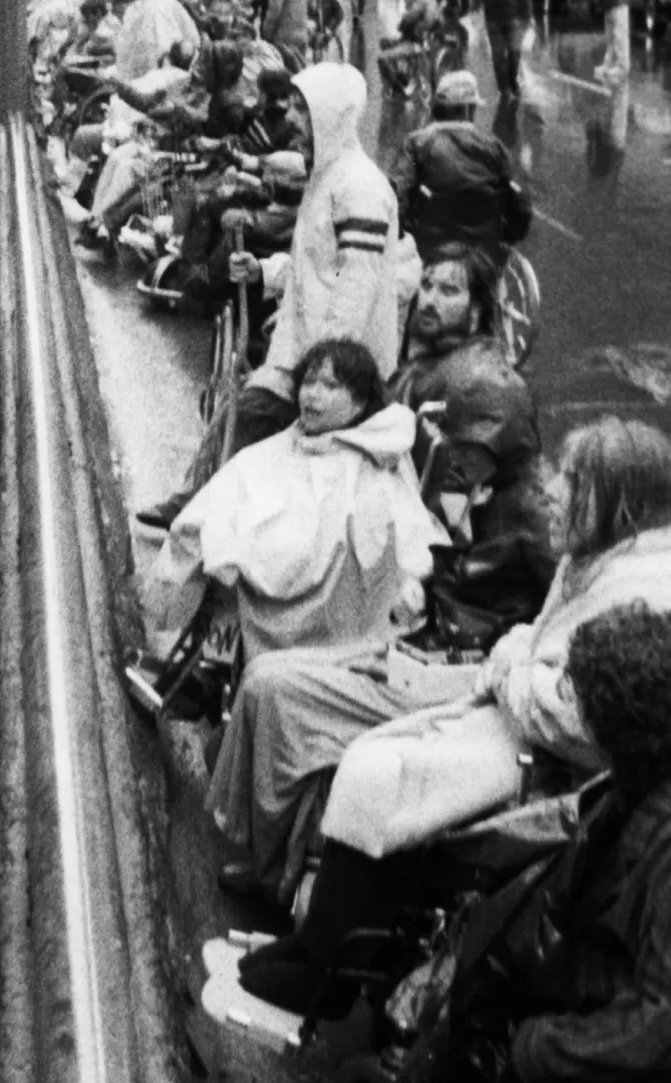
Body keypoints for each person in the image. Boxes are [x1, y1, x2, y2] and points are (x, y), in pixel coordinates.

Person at [239, 415, 671, 1014]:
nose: (556, 489)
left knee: (384, 777)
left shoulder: (640, 588)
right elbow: (532, 643)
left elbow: (576, 722)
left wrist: (511, 669)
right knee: (376, 761)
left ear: (617, 500)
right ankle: (321, 946)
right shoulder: (591, 557)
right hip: (514, 722)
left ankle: (327, 971)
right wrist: (516, 664)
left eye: (574, 481)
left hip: (553, 771)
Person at [207, 246, 553, 904]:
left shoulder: (486, 388)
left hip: (449, 630)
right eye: (427, 285)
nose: (429, 299)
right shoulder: (425, 369)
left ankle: (278, 872)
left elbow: (439, 509)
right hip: (434, 603)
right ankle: (274, 853)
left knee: (277, 674)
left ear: (480, 307)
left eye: (450, 290)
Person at [339, 600, 671, 1083]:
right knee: (468, 1032)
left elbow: (657, 1022)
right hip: (596, 1003)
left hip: (637, 1071)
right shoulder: (633, 790)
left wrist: (536, 1044)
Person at [138, 62, 399, 529]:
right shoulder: (328, 179)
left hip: (332, 365)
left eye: (304, 108)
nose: (294, 119)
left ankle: (199, 517)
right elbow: (315, 267)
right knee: (241, 420)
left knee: (246, 420)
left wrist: (322, 373)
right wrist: (264, 271)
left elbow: (356, 289)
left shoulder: (358, 188)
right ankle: (200, 509)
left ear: (331, 115)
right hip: (304, 352)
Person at [147, 338, 438, 658]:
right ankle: (201, 655)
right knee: (201, 532)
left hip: (325, 603)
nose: (313, 394)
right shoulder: (290, 442)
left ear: (358, 402)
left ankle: (215, 661)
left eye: (330, 385)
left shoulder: (374, 461)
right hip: (264, 566)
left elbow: (369, 538)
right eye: (309, 382)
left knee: (232, 559)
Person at [391, 70, 532, 265]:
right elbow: (520, 203)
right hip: (483, 253)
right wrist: (505, 237)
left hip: (427, 251)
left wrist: (403, 237)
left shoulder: (416, 143)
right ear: (468, 109)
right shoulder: (494, 147)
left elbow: (396, 197)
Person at [113, 0, 201, 80]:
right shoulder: (171, 2)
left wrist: (123, 68)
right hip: (172, 60)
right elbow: (190, 31)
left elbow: (124, 42)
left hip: (145, 65)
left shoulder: (135, 8)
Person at [472, 0, 531, 100]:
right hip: (493, 18)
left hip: (514, 17)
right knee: (498, 54)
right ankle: (503, 88)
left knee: (514, 53)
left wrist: (527, 14)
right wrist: (474, 8)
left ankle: (513, 83)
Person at [591, 0, 630, 87]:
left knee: (619, 37)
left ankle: (622, 67)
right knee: (610, 37)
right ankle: (610, 64)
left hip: (617, 3)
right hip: (610, 4)